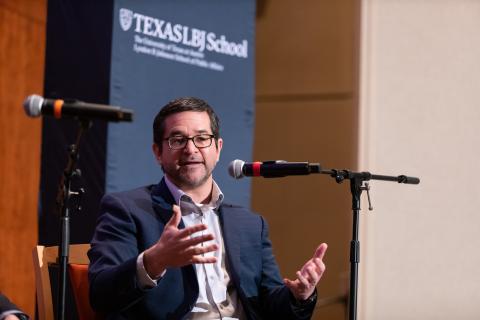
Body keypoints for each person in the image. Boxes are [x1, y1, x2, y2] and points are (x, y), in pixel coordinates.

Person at [88, 97, 328, 319]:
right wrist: (154, 261)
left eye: (202, 138)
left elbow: (269, 306)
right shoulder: (127, 209)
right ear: (158, 153)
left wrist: (299, 296)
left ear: (218, 148)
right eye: (177, 140)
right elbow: (101, 296)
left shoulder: (250, 224)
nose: (191, 149)